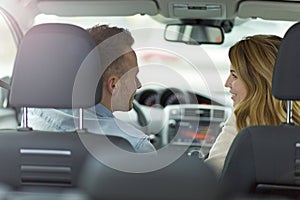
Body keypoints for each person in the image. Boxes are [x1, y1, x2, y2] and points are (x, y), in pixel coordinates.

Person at [27, 24, 156, 153]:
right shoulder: (134, 144)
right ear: (113, 85)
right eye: (134, 76)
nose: (139, 85)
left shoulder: (30, 119)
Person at [205, 34, 300, 175]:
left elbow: (212, 179)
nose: (227, 83)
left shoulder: (242, 120)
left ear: (258, 82)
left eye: (235, 75)